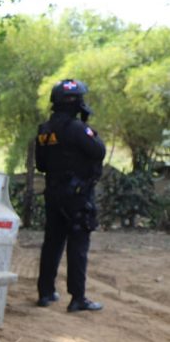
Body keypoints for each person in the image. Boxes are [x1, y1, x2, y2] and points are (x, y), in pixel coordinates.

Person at [36, 79, 106, 312]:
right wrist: (88, 127)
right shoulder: (77, 129)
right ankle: (78, 298)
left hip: (53, 193)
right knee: (77, 244)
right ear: (76, 102)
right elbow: (99, 150)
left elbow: (41, 164)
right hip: (77, 196)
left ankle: (45, 293)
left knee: (52, 242)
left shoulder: (45, 130)